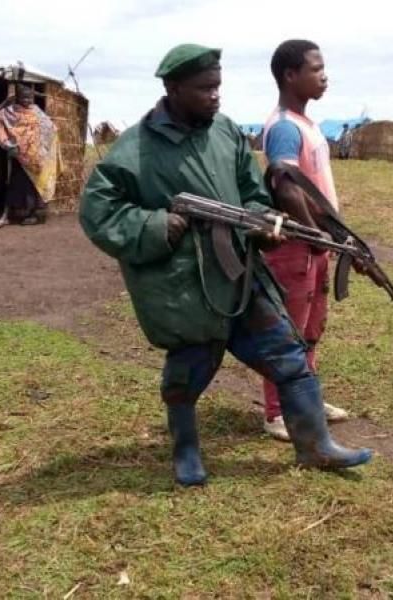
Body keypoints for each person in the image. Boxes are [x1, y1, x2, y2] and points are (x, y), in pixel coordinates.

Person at [81, 43, 372, 487]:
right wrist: (158, 225)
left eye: (218, 86)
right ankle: (186, 452)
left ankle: (315, 446)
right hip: (186, 285)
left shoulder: (227, 133)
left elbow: (251, 190)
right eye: (204, 88)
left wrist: (262, 221)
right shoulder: (134, 149)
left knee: (288, 354)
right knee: (188, 373)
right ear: (173, 88)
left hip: (240, 273)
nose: (215, 96)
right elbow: (99, 211)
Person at [259, 39, 350, 441]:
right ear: (290, 75)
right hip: (297, 244)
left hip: (316, 242)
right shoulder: (282, 127)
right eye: (316, 68)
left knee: (312, 327)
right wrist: (314, 230)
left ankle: (306, 398)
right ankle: (276, 411)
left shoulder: (306, 124)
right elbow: (285, 185)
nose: (324, 75)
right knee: (287, 330)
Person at [0, 84, 60, 227]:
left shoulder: (36, 111)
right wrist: (10, 145)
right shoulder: (9, 111)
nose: (27, 100)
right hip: (20, 156)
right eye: (24, 97)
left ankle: (34, 214)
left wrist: (43, 146)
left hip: (36, 156)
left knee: (35, 185)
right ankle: (18, 213)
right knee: (19, 184)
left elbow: (51, 127)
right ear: (17, 97)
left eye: (29, 97)